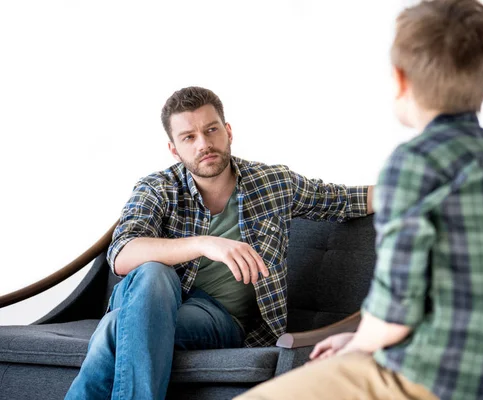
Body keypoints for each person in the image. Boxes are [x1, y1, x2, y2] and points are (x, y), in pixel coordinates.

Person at [236, 1, 483, 399]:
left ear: (400, 79)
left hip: (431, 380)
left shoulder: (415, 163)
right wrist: (358, 342)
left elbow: (396, 309)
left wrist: (362, 343)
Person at [65, 86, 374, 399]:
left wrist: (416, 185)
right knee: (153, 273)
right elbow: (122, 252)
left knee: (117, 327)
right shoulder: (158, 188)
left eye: (211, 130)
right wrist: (204, 243)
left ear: (227, 131)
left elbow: (346, 200)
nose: (204, 144)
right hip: (153, 296)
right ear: (174, 149)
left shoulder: (273, 183)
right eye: (189, 137)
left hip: (218, 318)